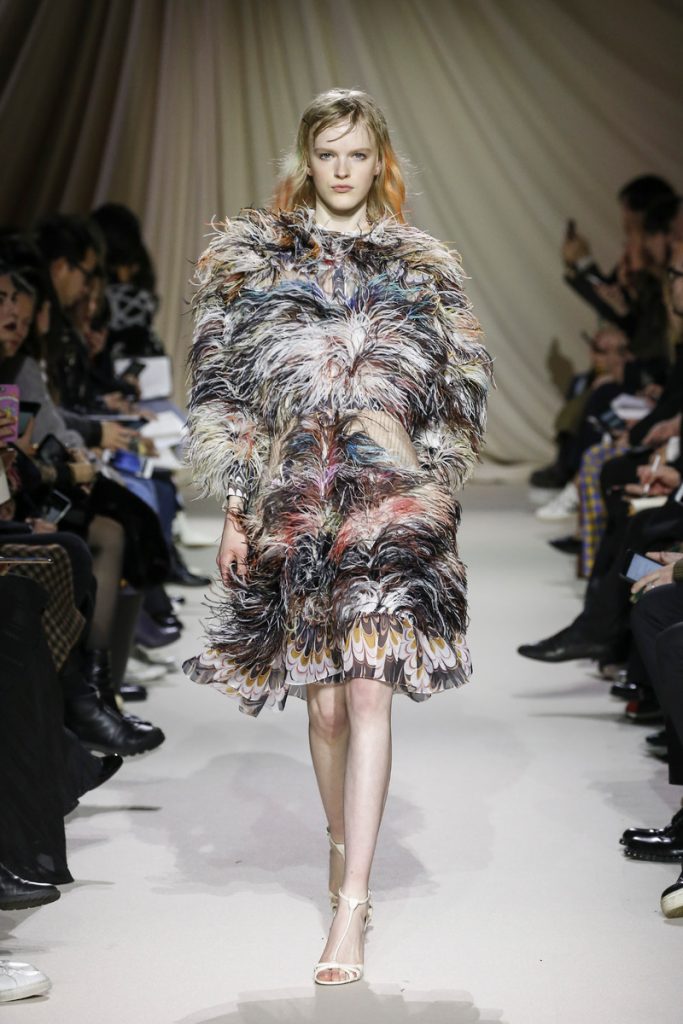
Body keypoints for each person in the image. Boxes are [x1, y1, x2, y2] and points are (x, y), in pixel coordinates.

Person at [183, 89, 492, 985]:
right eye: (328, 154)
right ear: (305, 161)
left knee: (367, 695)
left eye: (358, 154)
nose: (343, 170)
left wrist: (433, 482)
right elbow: (224, 395)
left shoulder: (420, 267)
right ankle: (339, 840)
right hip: (295, 504)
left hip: (388, 504)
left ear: (379, 160)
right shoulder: (254, 263)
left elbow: (461, 385)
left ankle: (351, 903)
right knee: (321, 708)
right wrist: (235, 508)